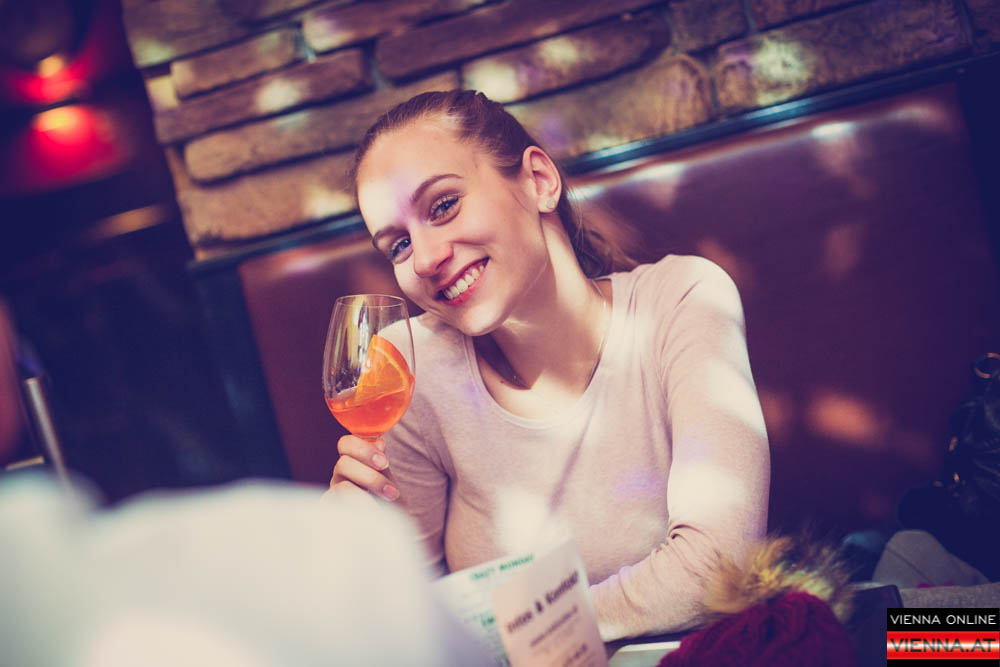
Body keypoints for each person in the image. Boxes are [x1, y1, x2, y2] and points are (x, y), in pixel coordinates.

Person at [328, 89, 770, 641]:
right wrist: (352, 566)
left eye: (443, 206)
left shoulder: (682, 298)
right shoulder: (407, 367)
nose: (425, 258)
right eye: (397, 245)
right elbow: (405, 625)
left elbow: (718, 566)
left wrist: (513, 631)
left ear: (538, 180)